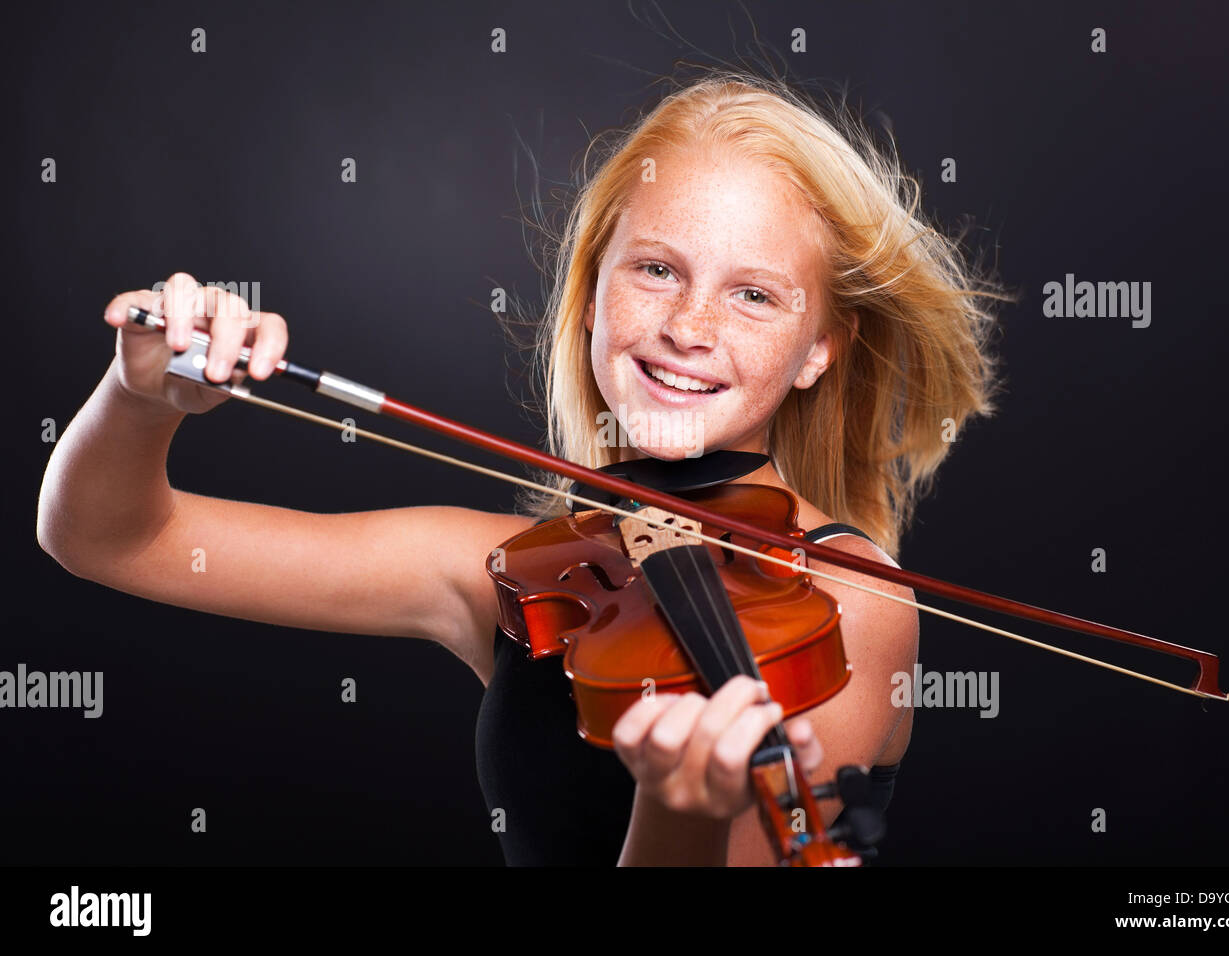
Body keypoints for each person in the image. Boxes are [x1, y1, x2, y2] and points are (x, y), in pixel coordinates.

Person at [37, 71, 1003, 866]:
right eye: (657, 269)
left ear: (819, 351)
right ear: (589, 294)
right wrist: (140, 399)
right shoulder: (529, 577)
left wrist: (679, 813)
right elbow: (111, 538)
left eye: (754, 295)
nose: (688, 328)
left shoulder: (847, 602)